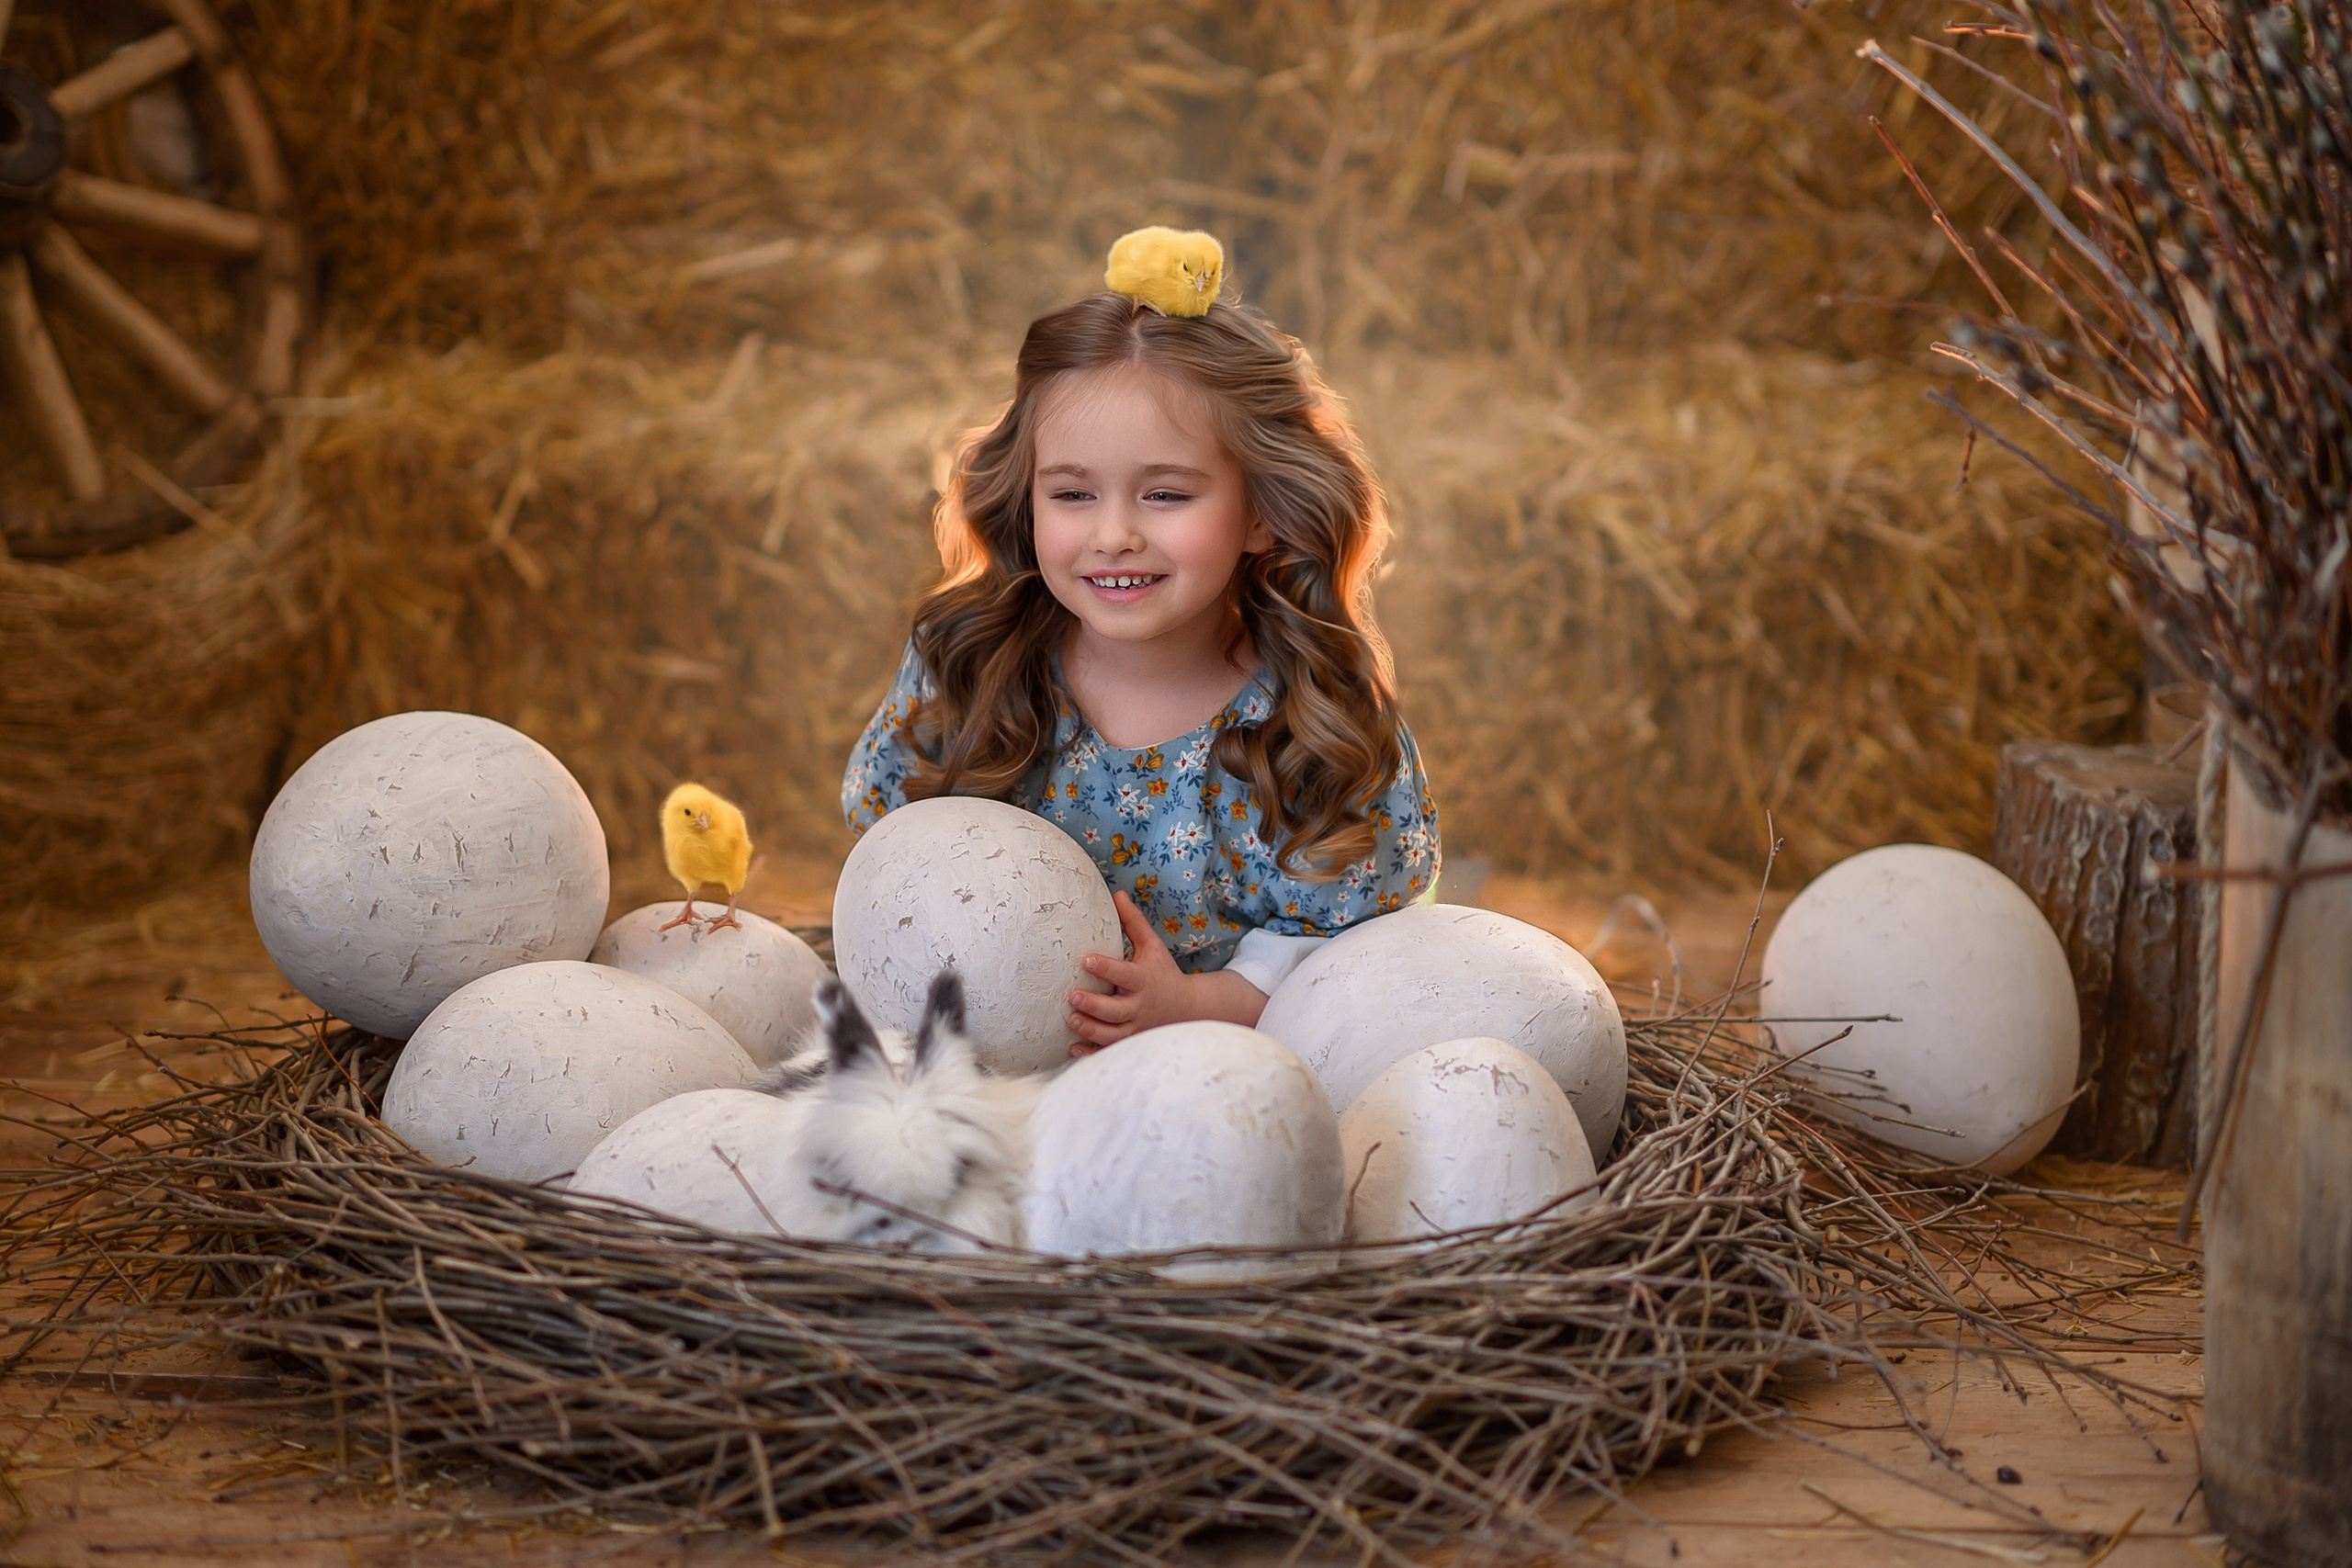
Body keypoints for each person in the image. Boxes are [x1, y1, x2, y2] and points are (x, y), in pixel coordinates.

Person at [842, 228, 1440, 1051]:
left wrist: (1189, 1005)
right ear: (1026, 500)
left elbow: (1339, 958)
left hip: (1216, 1075)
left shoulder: (1312, 719)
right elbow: (898, 865)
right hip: (974, 1067)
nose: (1114, 534)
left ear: (1263, 511)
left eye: (1165, 494)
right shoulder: (975, 664)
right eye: (1074, 493)